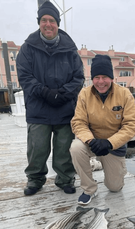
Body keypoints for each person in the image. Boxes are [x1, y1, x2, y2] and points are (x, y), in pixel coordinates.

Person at [16, 1, 85, 196]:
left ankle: (65, 178)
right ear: (39, 23)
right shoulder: (27, 48)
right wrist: (46, 92)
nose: (48, 24)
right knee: (37, 149)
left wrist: (64, 93)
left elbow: (78, 77)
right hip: (38, 109)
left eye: (52, 20)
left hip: (64, 108)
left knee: (64, 149)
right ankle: (35, 179)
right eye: (44, 20)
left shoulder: (71, 49)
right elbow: (25, 78)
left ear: (58, 23)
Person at [70, 54, 135, 205]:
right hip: (92, 142)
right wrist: (91, 140)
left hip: (112, 146)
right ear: (92, 78)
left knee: (115, 187)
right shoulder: (84, 94)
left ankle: (100, 163)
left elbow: (131, 125)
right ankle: (89, 189)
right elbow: (78, 122)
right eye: (97, 77)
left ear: (111, 77)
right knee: (75, 148)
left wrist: (109, 143)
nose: (101, 82)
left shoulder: (124, 94)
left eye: (105, 77)